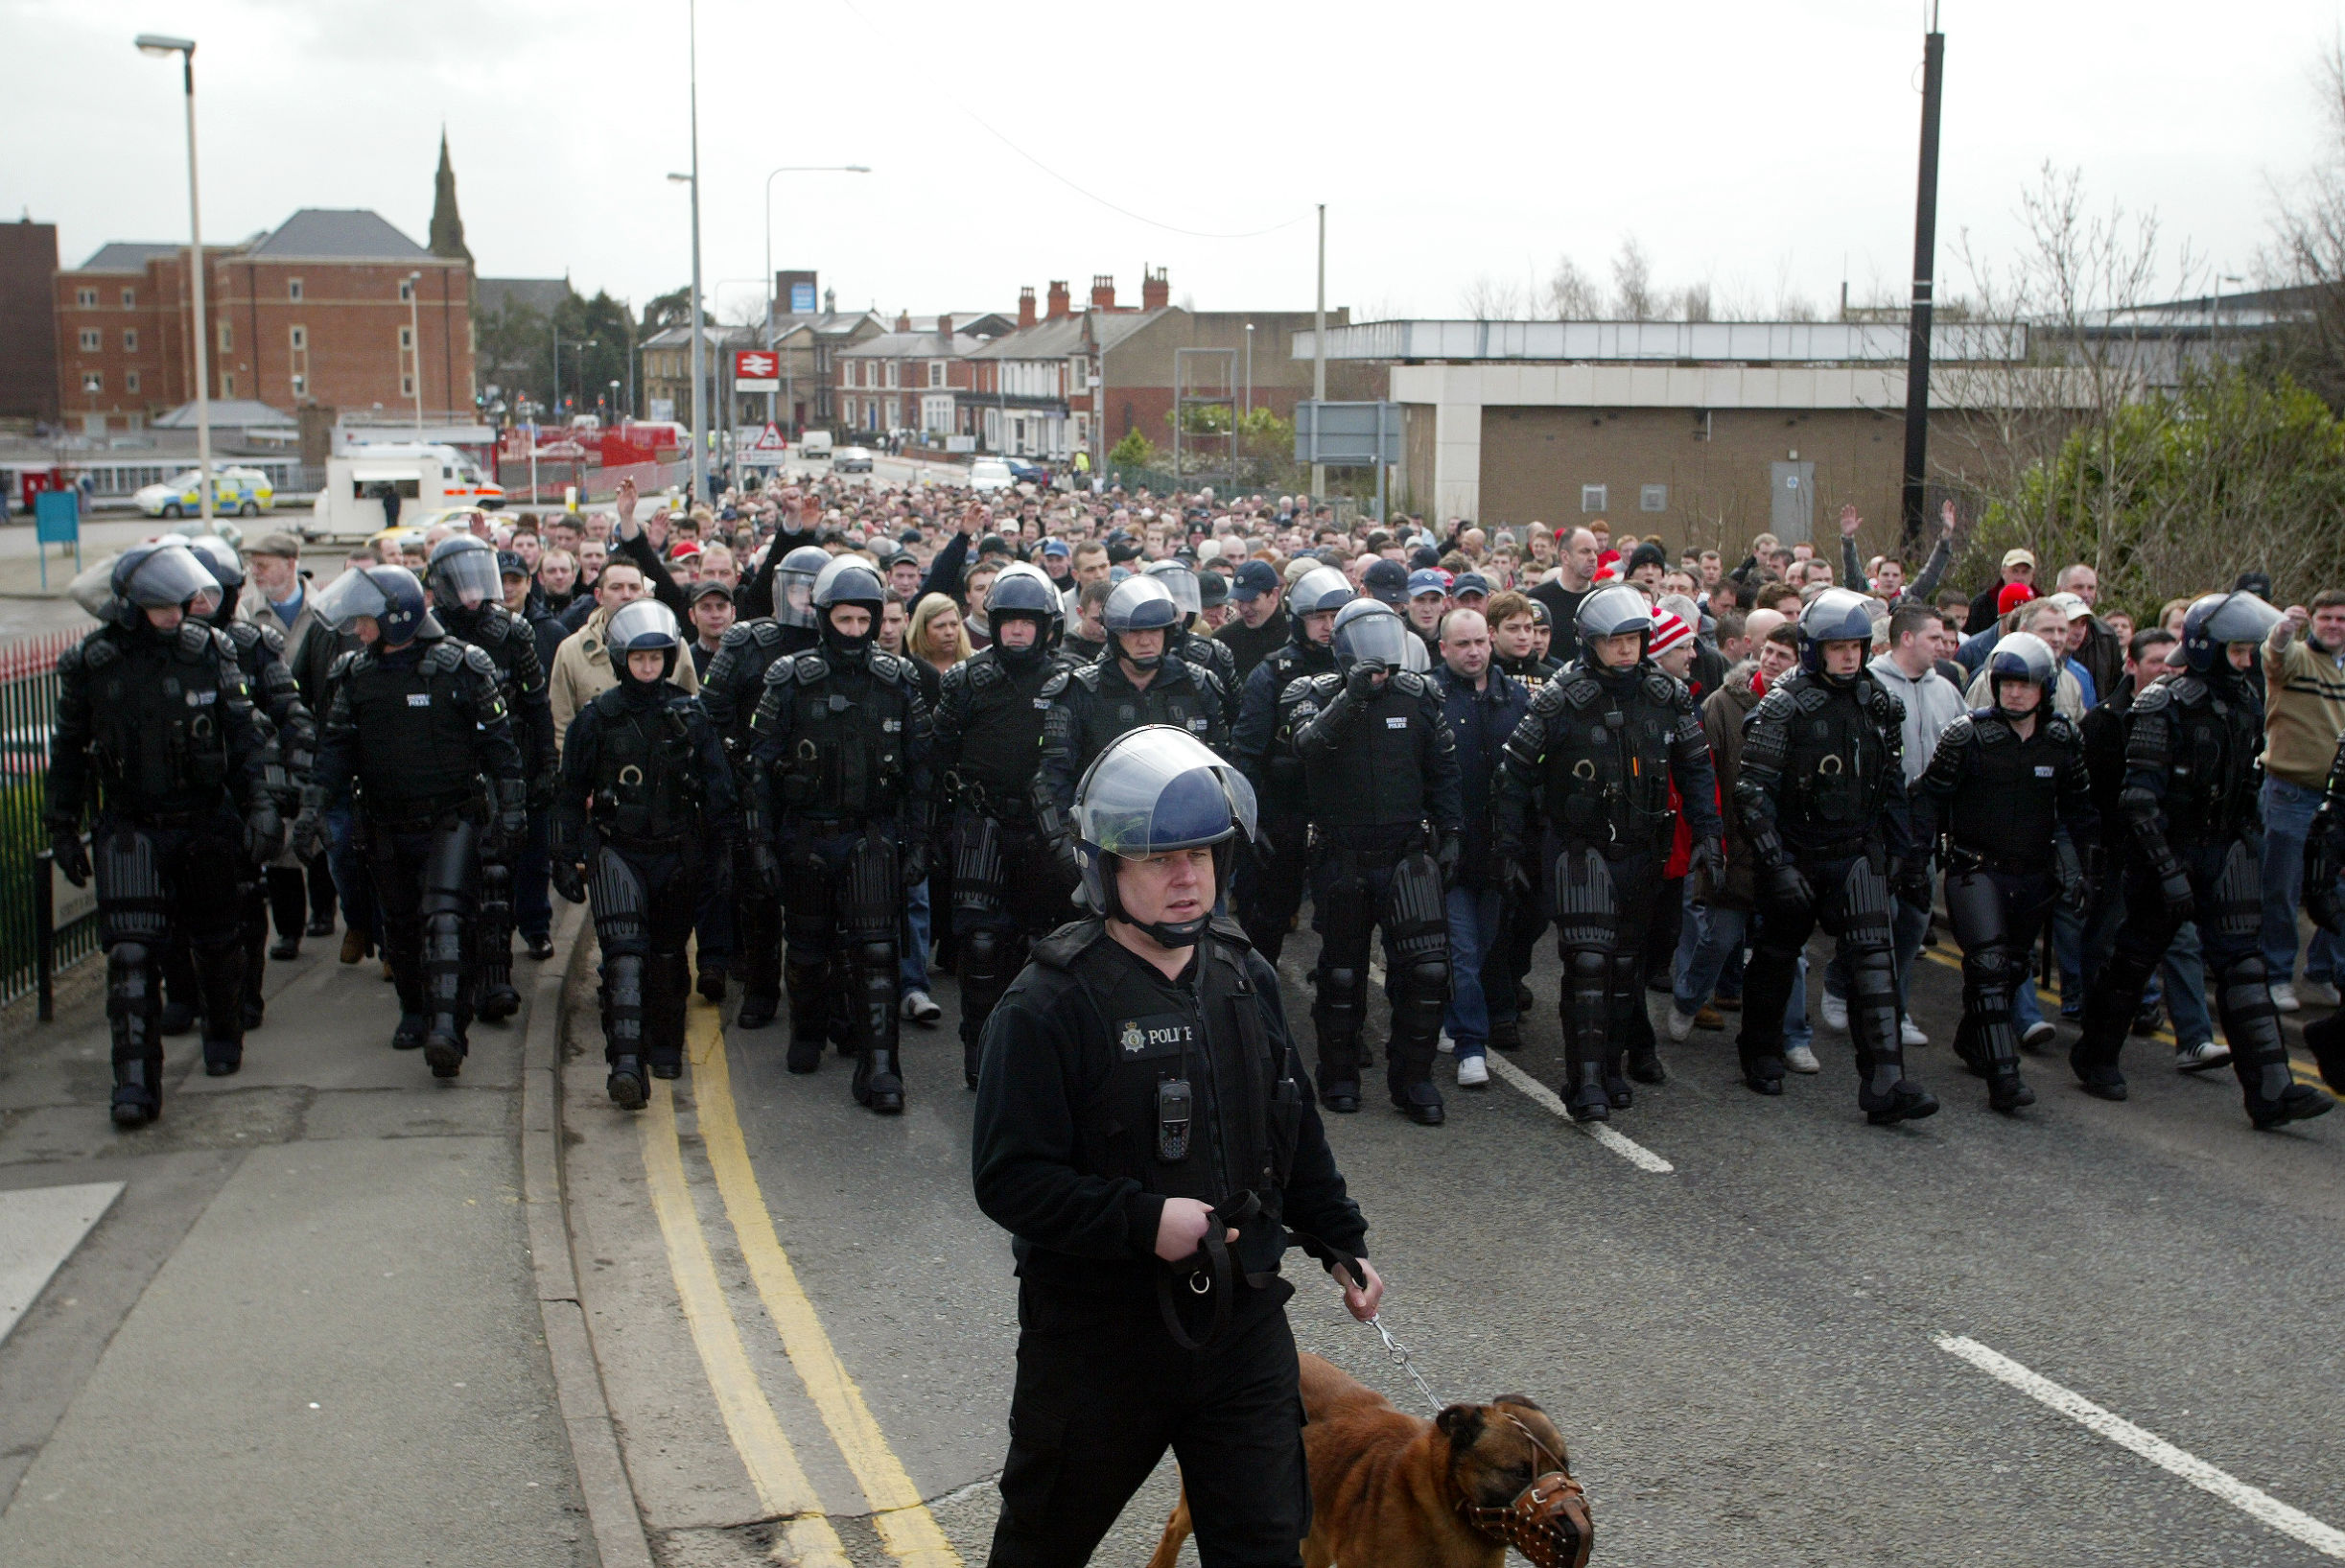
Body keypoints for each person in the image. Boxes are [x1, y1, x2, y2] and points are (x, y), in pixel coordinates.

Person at [970, 725, 1379, 1568]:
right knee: (1039, 1546)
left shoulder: (1241, 970)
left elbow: (1290, 1121)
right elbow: (1010, 1179)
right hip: (1098, 1341)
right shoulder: (1045, 1005)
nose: (1187, 877)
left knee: (1267, 1547)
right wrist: (1141, 1218)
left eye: (1200, 853)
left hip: (1240, 1325)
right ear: (1105, 868)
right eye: (1159, 859)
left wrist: (1339, 1236)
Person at [2072, 592, 2333, 1129]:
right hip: (2164, 850)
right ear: (2208, 648)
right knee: (2133, 961)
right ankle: (2095, 1056)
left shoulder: (2243, 700)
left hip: (2225, 850)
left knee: (2244, 967)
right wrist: (2167, 870)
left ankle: (2271, 1090)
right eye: (2236, 652)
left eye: (2247, 652)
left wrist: (2247, 844)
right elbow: (2138, 800)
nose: (2244, 662)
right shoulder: (2161, 703)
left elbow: (2248, 781)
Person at [47, 543, 278, 1124]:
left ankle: (223, 1039)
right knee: (129, 957)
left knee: (217, 942)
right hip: (131, 827)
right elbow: (69, 753)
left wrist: (262, 808)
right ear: (129, 606)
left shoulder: (210, 651)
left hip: (202, 820)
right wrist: (63, 827)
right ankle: (134, 1084)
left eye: (181, 602)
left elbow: (244, 737)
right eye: (162, 606)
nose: (178, 613)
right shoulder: (91, 665)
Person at [1492, 586, 1723, 1120]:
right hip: (1580, 848)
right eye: (1614, 641)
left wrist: (1710, 835)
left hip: (1642, 848)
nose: (1626, 650)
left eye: (1633, 639)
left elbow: (1696, 768)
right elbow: (1513, 774)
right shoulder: (1558, 696)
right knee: (1589, 964)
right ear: (1591, 642)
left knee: (1625, 966)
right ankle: (1586, 1081)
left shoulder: (1667, 695)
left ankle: (1614, 1068)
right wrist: (1507, 844)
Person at [293, 565, 526, 1081]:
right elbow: (333, 751)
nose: (359, 629)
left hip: (450, 817)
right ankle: (415, 1011)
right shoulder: (355, 675)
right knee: (398, 925)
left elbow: (499, 747)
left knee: (446, 919)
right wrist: (311, 808)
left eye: (367, 620)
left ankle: (448, 1028)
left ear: (396, 617)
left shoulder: (462, 667)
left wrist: (512, 810)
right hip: (384, 821)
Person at [1733, 588, 1935, 1123]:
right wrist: (1776, 863)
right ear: (1816, 650)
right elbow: (1752, 792)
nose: (1849, 656)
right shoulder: (1784, 703)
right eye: (1838, 647)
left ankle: (1887, 1084)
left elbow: (1892, 783)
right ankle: (1760, 1051)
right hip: (1797, 853)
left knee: (1876, 963)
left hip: (1857, 853)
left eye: (1857, 646)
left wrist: (1901, 855)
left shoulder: (1878, 702)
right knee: (1777, 957)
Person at [748, 559, 934, 1111]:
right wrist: (758, 842)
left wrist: (920, 842)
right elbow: (757, 768)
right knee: (807, 952)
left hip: (871, 836)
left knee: (877, 951)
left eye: (864, 620)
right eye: (845, 619)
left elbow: (921, 771)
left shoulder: (898, 681)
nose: (854, 631)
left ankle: (880, 1069)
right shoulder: (788, 679)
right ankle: (809, 1028)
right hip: (805, 837)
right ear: (825, 618)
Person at [551, 601, 743, 1107]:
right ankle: (626, 1064)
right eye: (638, 659)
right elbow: (570, 794)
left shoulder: (692, 716)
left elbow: (721, 793)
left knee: (665, 957)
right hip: (617, 850)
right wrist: (565, 855)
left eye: (655, 658)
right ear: (621, 660)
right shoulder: (595, 721)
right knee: (623, 957)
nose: (648, 668)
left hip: (678, 854)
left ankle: (665, 1046)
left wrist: (724, 857)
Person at [1278, 598, 1462, 1125]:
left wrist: (1453, 833)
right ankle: (1339, 1076)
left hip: (1407, 853)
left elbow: (1443, 771)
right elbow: (1307, 747)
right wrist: (1352, 698)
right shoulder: (1310, 692)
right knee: (1340, 974)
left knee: (1426, 971)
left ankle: (1415, 1080)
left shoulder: (1420, 694)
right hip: (1343, 854)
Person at [1913, 633, 2098, 1112]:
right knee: (1990, 967)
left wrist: (2086, 870)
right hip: (1975, 868)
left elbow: (2081, 812)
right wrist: (1915, 860)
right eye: (2006, 683)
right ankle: (2004, 1077)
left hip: (2033, 873)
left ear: (2044, 689)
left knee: (2012, 968)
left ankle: (1973, 1039)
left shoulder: (2063, 738)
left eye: (2025, 684)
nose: (2014, 693)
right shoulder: (1967, 734)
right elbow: (1930, 798)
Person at [932, 566, 1067, 1088]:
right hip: (981, 824)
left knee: (1047, 943)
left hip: (1045, 830)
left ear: (1046, 626)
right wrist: (936, 832)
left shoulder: (1068, 680)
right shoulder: (966, 679)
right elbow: (934, 754)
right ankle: (979, 1046)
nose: (1016, 631)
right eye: (1007, 621)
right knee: (982, 944)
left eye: (1026, 622)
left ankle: (1041, 1050)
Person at [426, 534, 559, 1021]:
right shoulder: (428, 634)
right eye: (459, 584)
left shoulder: (513, 631)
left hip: (504, 767)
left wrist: (545, 765)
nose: (471, 595)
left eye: (476, 581)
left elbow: (536, 703)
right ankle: (452, 983)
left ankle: (497, 981)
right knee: (452, 888)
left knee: (499, 878)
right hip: (448, 775)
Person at [699, 545, 829, 1031]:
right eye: (795, 586)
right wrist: (739, 758)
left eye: (812, 590)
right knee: (756, 893)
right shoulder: (747, 640)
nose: (802, 597)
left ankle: (815, 994)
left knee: (815, 896)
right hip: (757, 786)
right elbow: (711, 708)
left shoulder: (838, 641)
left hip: (817, 790)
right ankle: (759, 988)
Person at [1035, 576, 1230, 859]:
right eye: (1132, 631)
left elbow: (1222, 764)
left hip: (1184, 833)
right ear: (1115, 634)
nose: (1145, 640)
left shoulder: (1198, 685)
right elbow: (1053, 775)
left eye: (1154, 630)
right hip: (1106, 838)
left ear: (1168, 632)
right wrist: (1063, 840)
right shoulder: (1080, 691)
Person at [1230, 567, 1352, 964]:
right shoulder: (1272, 674)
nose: (1329, 626)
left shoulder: (1364, 670)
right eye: (1318, 617)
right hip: (1285, 809)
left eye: (1337, 616)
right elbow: (1247, 753)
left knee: (1345, 920)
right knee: (1267, 918)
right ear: (1299, 621)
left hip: (1343, 811)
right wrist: (1253, 820)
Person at [1432, 607, 1531, 1081]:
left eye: (1479, 642)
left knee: (1485, 944)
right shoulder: (1429, 698)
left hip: (1497, 850)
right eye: (1462, 644)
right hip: (1449, 847)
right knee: (1463, 952)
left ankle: (1452, 1016)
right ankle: (1472, 1045)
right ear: (1444, 648)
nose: (1473, 652)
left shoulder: (1515, 699)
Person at [239, 529, 341, 948]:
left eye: (263, 565)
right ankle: (288, 930)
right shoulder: (247, 612)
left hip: (315, 732)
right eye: (252, 565)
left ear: (291, 564)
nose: (255, 573)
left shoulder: (324, 611)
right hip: (271, 736)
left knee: (314, 826)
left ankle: (323, 911)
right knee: (278, 831)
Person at [2257, 591, 2345, 1011]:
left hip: (2337, 797)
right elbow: (2274, 656)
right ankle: (2277, 975)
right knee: (2283, 887)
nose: (2333, 625)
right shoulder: (2294, 657)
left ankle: (2324, 970)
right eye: (2326, 617)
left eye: (2342, 619)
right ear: (2313, 620)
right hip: (2290, 790)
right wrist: (2282, 631)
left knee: (2337, 890)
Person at [549, 559, 699, 748]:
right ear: (599, 595)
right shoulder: (571, 650)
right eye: (616, 588)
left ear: (644, 593)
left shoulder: (672, 644)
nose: (626, 595)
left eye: (634, 587)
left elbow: (693, 712)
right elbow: (562, 724)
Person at [1146, 559, 1242, 727]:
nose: (1174, 608)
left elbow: (1236, 712)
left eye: (1180, 600)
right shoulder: (1122, 648)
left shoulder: (1213, 652)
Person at [1214, 559, 1289, 680]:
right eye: (1240, 600)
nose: (1244, 608)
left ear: (1274, 595)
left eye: (1252, 600)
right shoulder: (1226, 638)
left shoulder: (1293, 635)